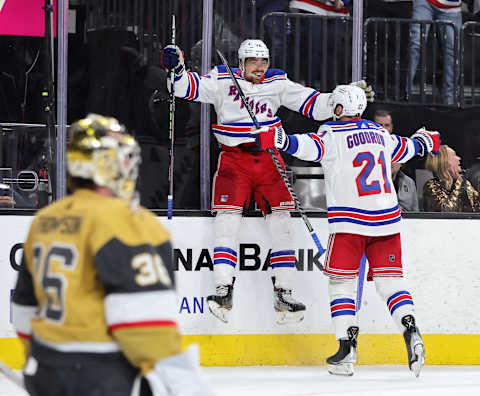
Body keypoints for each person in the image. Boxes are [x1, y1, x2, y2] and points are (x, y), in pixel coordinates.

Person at [160, 39, 375, 324]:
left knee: (283, 225)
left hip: (269, 159)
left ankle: (283, 294)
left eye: (263, 62)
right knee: (226, 223)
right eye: (253, 62)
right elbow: (186, 88)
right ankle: (223, 290)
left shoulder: (278, 82)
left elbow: (312, 103)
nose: (260, 68)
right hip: (234, 160)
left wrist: (342, 97)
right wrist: (176, 69)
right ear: (241, 62)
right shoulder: (223, 79)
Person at [11, 114, 215, 396]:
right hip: (106, 377)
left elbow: (22, 309)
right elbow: (145, 326)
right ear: (106, 166)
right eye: (123, 159)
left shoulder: (45, 220)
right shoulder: (128, 222)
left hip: (46, 371)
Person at [255, 85, 441, 377]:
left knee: (341, 284)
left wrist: (277, 138)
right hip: (387, 221)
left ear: (339, 109)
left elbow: (303, 146)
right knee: (390, 282)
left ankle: (347, 348)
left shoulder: (332, 135)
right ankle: (410, 327)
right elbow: (412, 147)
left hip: (350, 223)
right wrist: (427, 140)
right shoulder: (381, 134)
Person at [407, 0, 462, 104]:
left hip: (451, 6)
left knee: (454, 51)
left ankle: (450, 100)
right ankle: (405, 93)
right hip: (425, 2)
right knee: (416, 43)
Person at [374, 109, 419, 212]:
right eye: (379, 125)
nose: (383, 129)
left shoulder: (399, 145)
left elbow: (417, 213)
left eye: (387, 125)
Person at [423, 144, 480, 212]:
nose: (459, 158)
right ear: (444, 162)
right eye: (454, 155)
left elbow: (477, 208)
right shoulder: (431, 186)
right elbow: (446, 212)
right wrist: (459, 183)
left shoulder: (465, 183)